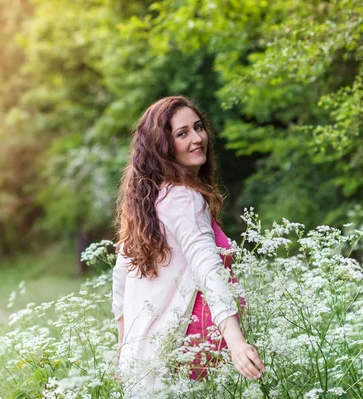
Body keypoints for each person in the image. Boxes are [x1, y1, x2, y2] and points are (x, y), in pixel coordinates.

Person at [112, 96, 264, 394]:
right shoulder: (183, 198)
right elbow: (208, 267)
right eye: (182, 134)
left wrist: (124, 351)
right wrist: (236, 342)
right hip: (175, 369)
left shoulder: (147, 203)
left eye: (198, 128)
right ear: (162, 146)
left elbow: (119, 280)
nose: (197, 139)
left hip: (145, 369)